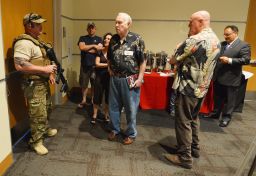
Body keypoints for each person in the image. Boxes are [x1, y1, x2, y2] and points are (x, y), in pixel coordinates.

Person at [164, 10, 220, 169]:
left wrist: (177, 48)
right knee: (194, 118)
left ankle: (184, 157)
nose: (189, 24)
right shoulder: (216, 39)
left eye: (191, 22)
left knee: (183, 122)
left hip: (188, 88)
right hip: (202, 89)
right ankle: (194, 148)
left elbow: (173, 59)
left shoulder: (194, 40)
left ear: (200, 21)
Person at [13, 13, 58, 155]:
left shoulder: (37, 41)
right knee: (37, 113)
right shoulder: (24, 43)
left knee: (47, 109)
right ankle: (36, 141)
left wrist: (50, 73)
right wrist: (44, 69)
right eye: (38, 24)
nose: (41, 26)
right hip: (33, 84)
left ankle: (44, 130)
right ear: (29, 26)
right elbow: (19, 65)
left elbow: (44, 60)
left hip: (43, 82)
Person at [107, 12, 146, 145]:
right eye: (115, 22)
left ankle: (130, 133)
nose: (116, 25)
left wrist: (140, 78)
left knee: (131, 109)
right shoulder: (113, 39)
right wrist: (109, 69)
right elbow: (109, 57)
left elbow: (142, 61)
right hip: (115, 80)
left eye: (119, 22)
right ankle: (114, 129)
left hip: (130, 80)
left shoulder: (137, 39)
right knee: (113, 106)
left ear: (128, 24)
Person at [210, 25, 251, 127]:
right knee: (218, 97)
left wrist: (230, 60)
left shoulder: (243, 45)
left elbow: (246, 60)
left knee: (230, 100)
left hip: (232, 77)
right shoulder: (222, 44)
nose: (225, 36)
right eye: (224, 34)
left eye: (227, 34)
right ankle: (215, 114)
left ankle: (226, 118)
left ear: (235, 33)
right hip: (219, 76)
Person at [77, 22, 103, 108]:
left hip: (95, 66)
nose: (91, 29)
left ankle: (92, 100)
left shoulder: (99, 39)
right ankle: (84, 100)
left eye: (93, 28)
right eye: (89, 28)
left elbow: (99, 50)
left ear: (95, 29)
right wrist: (94, 46)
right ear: (87, 29)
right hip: (84, 65)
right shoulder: (82, 38)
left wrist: (87, 49)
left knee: (94, 84)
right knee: (84, 84)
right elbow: (81, 47)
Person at [91, 33, 112, 124]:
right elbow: (97, 64)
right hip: (99, 77)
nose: (106, 40)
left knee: (108, 98)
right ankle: (95, 115)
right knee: (97, 97)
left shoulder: (113, 53)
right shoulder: (99, 51)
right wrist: (108, 65)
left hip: (109, 78)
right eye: (105, 38)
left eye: (109, 39)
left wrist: (109, 66)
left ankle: (106, 115)